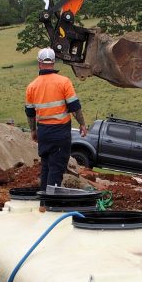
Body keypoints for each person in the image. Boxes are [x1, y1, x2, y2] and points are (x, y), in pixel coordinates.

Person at [25, 47, 88, 190]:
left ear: (39, 63)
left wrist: (33, 131)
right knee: (57, 168)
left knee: (46, 166)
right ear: (53, 62)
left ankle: (43, 203)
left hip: (43, 132)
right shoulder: (64, 82)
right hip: (60, 132)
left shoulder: (32, 87)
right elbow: (75, 107)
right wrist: (82, 124)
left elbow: (30, 113)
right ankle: (50, 204)